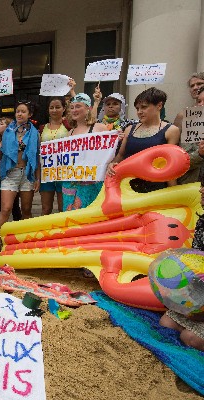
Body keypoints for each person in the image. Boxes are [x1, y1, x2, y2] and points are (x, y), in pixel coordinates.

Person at [158, 177, 204, 351]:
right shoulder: (202, 221)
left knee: (189, 337)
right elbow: (196, 262)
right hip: (200, 296)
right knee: (166, 323)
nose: (201, 191)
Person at [108, 87, 180, 192]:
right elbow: (121, 155)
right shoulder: (129, 129)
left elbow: (170, 165)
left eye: (144, 107)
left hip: (155, 189)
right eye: (137, 108)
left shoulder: (171, 130)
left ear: (159, 106)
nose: (139, 112)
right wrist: (111, 165)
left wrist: (174, 192)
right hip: (127, 187)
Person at [0, 101, 40, 256]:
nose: (20, 114)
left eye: (23, 112)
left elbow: (37, 156)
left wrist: (37, 178)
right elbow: (1, 154)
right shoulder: (8, 131)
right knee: (5, 209)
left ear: (29, 114)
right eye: (18, 111)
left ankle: (26, 243)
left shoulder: (34, 133)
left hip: (27, 174)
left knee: (26, 210)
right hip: (10, 173)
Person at [61, 93, 108, 211]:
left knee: (90, 213)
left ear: (88, 108)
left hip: (92, 181)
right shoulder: (70, 132)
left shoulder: (99, 128)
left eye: (78, 106)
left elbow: (108, 153)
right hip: (71, 181)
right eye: (72, 107)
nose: (74, 110)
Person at [39, 97, 69, 215]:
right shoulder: (42, 128)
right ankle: (44, 233)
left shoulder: (69, 125)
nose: (54, 110)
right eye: (51, 107)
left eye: (58, 107)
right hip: (47, 173)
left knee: (63, 208)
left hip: (65, 173)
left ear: (64, 109)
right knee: (46, 209)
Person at [173, 72, 204, 185]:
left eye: (199, 83)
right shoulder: (184, 116)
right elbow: (176, 152)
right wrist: (199, 154)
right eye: (192, 86)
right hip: (191, 182)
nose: (196, 87)